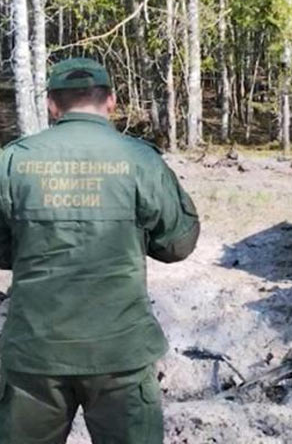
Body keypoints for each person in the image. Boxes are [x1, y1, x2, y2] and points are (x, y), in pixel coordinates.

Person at [0, 58, 200, 443]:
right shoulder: (139, 160)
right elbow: (179, 244)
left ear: (52, 105)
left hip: (35, 353)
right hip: (119, 353)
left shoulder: (13, 161)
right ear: (110, 101)